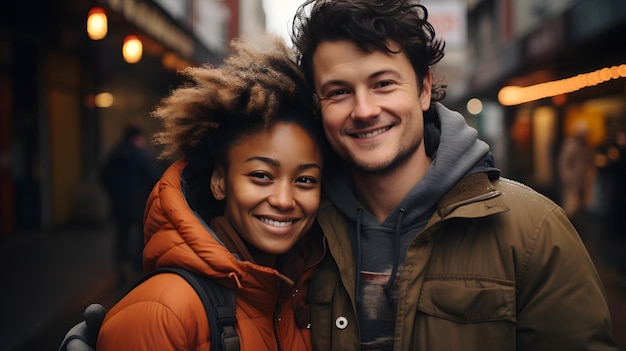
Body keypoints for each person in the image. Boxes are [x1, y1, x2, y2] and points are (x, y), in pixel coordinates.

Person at [290, 0, 618, 350]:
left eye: (383, 83)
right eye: (339, 92)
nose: (365, 110)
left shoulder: (535, 232)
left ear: (424, 89)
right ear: (318, 106)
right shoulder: (297, 230)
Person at [64, 35, 326, 350]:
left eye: (305, 180)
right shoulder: (162, 311)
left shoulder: (302, 296)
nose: (284, 200)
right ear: (219, 181)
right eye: (261, 175)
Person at [100, 126, 160, 282]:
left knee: (121, 235)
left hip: (119, 204)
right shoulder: (143, 156)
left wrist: (115, 194)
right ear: (137, 138)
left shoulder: (114, 155)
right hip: (140, 203)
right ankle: (138, 266)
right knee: (142, 234)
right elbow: (154, 178)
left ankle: (121, 267)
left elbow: (104, 177)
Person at [558, 122, 593, 218]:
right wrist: (567, 178)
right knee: (571, 206)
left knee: (583, 204)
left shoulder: (586, 146)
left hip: (582, 179)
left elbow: (589, 160)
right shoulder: (570, 145)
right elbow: (564, 163)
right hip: (572, 180)